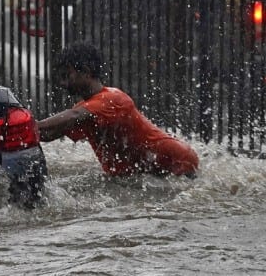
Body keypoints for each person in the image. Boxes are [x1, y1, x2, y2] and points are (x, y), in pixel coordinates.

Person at [36, 43, 198, 177]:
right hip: (147, 169)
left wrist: (34, 124)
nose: (63, 84)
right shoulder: (84, 110)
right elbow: (48, 135)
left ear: (85, 72)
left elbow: (73, 115)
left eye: (67, 76)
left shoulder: (112, 98)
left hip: (177, 161)